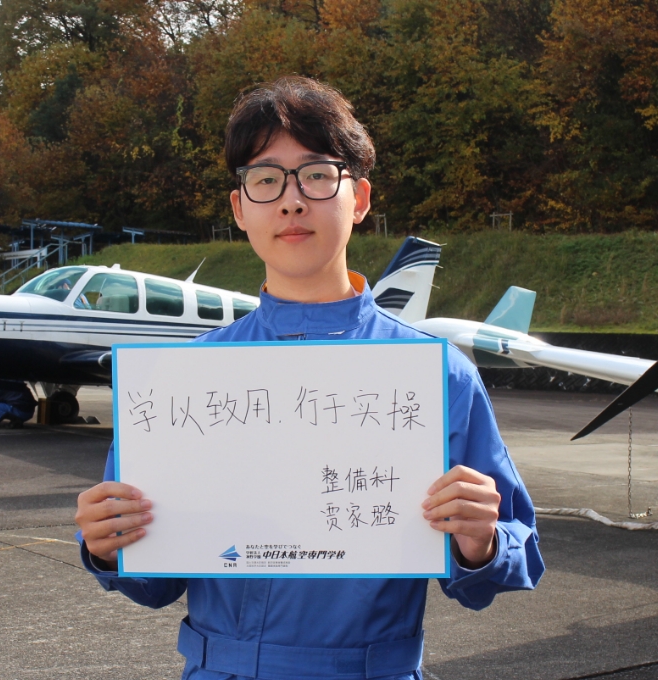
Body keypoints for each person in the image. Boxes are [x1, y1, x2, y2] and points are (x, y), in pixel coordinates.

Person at [76, 76, 544, 680]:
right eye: (266, 179)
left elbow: (510, 558)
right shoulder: (181, 381)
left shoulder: (436, 374)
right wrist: (107, 545)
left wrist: (483, 542)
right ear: (240, 208)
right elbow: (154, 584)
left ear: (361, 198)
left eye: (318, 175)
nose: (292, 202)